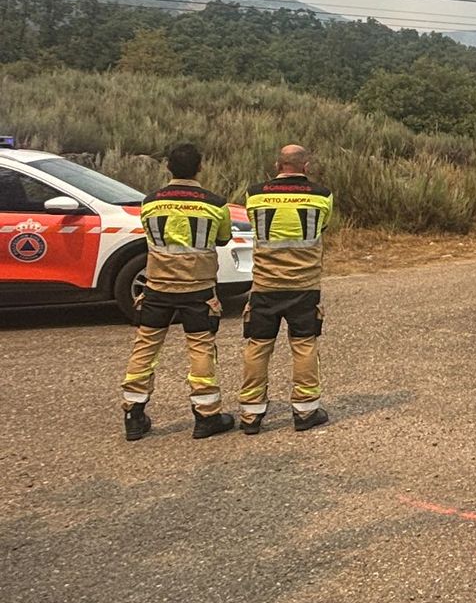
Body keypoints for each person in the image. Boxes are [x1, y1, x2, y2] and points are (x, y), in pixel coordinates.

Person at [120, 142, 235, 441]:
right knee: (200, 349)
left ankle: (133, 415)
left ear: (168, 167)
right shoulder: (215, 203)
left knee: (145, 347)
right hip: (198, 289)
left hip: (157, 287)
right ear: (200, 167)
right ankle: (206, 416)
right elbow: (223, 238)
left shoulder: (150, 202)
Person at [239, 144, 332, 433]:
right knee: (304, 345)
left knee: (258, 345)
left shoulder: (254, 195)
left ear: (277, 166)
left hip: (265, 284)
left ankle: (251, 414)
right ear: (306, 167)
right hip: (304, 284)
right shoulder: (322, 196)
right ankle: (305, 411)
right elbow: (322, 228)